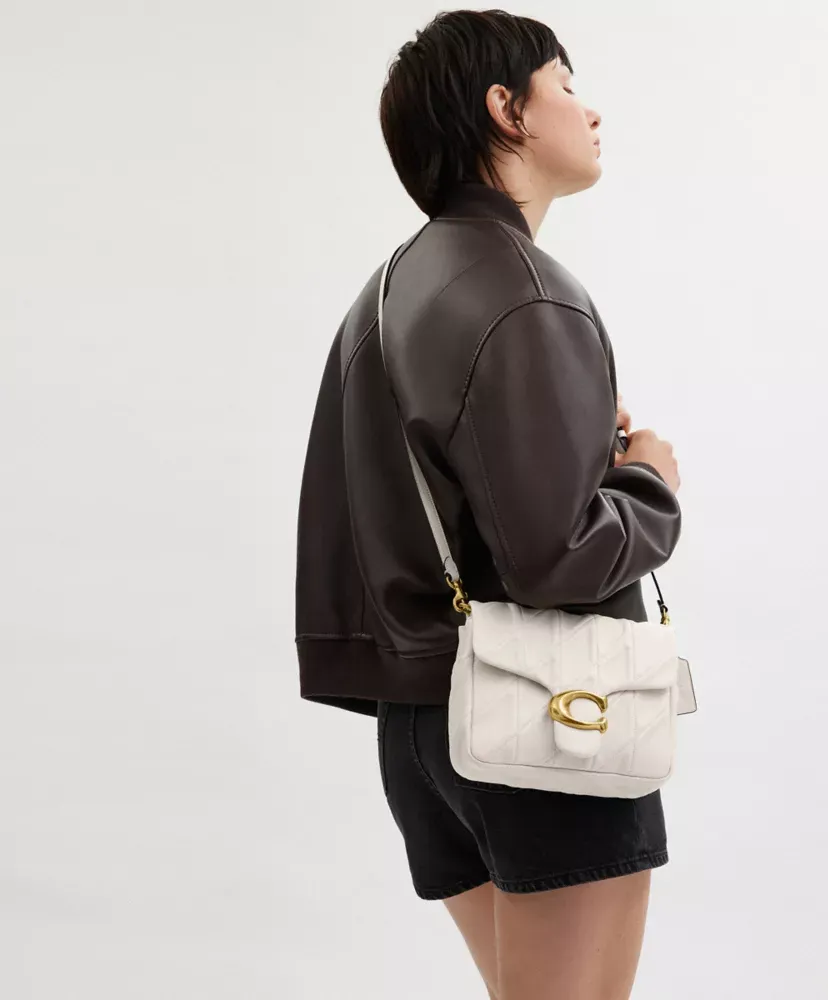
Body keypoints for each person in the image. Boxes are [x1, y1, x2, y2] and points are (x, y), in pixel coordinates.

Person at [294, 9, 682, 999]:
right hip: (549, 724)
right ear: (505, 109)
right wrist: (649, 480)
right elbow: (553, 557)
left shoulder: (388, 290)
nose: (590, 111)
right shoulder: (525, 291)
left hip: (424, 726)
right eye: (566, 86)